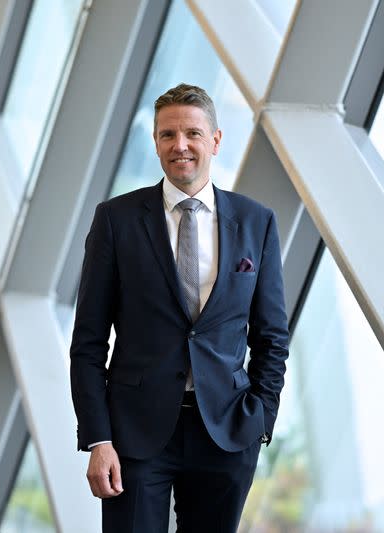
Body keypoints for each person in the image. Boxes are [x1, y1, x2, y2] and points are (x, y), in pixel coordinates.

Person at [70, 83, 289, 532]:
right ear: (155, 142)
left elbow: (271, 336)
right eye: (167, 135)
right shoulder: (116, 220)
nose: (180, 145)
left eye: (192, 133)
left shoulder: (256, 222)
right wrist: (98, 439)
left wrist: (260, 417)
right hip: (135, 435)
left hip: (226, 432)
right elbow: (88, 343)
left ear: (215, 140)